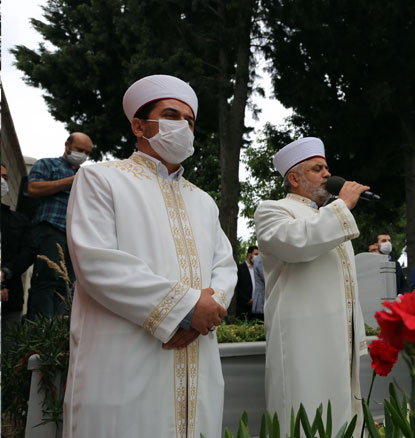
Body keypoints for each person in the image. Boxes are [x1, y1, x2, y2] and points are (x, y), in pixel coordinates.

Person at [63, 74, 237, 438]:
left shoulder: (203, 200)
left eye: (189, 121)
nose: (183, 127)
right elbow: (96, 262)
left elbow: (225, 265)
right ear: (138, 126)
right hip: (126, 354)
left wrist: (204, 313)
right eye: (171, 115)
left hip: (198, 351)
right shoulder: (101, 179)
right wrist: (185, 309)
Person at [255, 137, 368, 434]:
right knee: (304, 416)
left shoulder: (330, 217)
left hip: (339, 339)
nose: (327, 174)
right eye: (317, 169)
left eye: (327, 168)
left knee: (341, 418)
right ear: (294, 179)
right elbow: (297, 243)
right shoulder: (273, 210)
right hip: (301, 342)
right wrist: (343, 205)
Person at [26, 131, 93, 318]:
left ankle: (57, 329)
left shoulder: (86, 176)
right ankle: (39, 329)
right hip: (51, 229)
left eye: (87, 153)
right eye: (79, 149)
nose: (83, 155)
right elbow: (33, 188)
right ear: (67, 145)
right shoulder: (47, 164)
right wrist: (71, 181)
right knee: (46, 279)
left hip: (76, 237)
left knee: (66, 285)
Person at [1, 165, 36, 351]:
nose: (3, 181)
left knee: (9, 356)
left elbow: (29, 251)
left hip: (10, 300)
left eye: (6, 178)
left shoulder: (18, 220)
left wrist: (6, 272)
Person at [234, 245, 259, 318]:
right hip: (244, 310)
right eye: (256, 254)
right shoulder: (240, 269)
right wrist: (248, 300)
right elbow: (237, 288)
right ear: (249, 255)